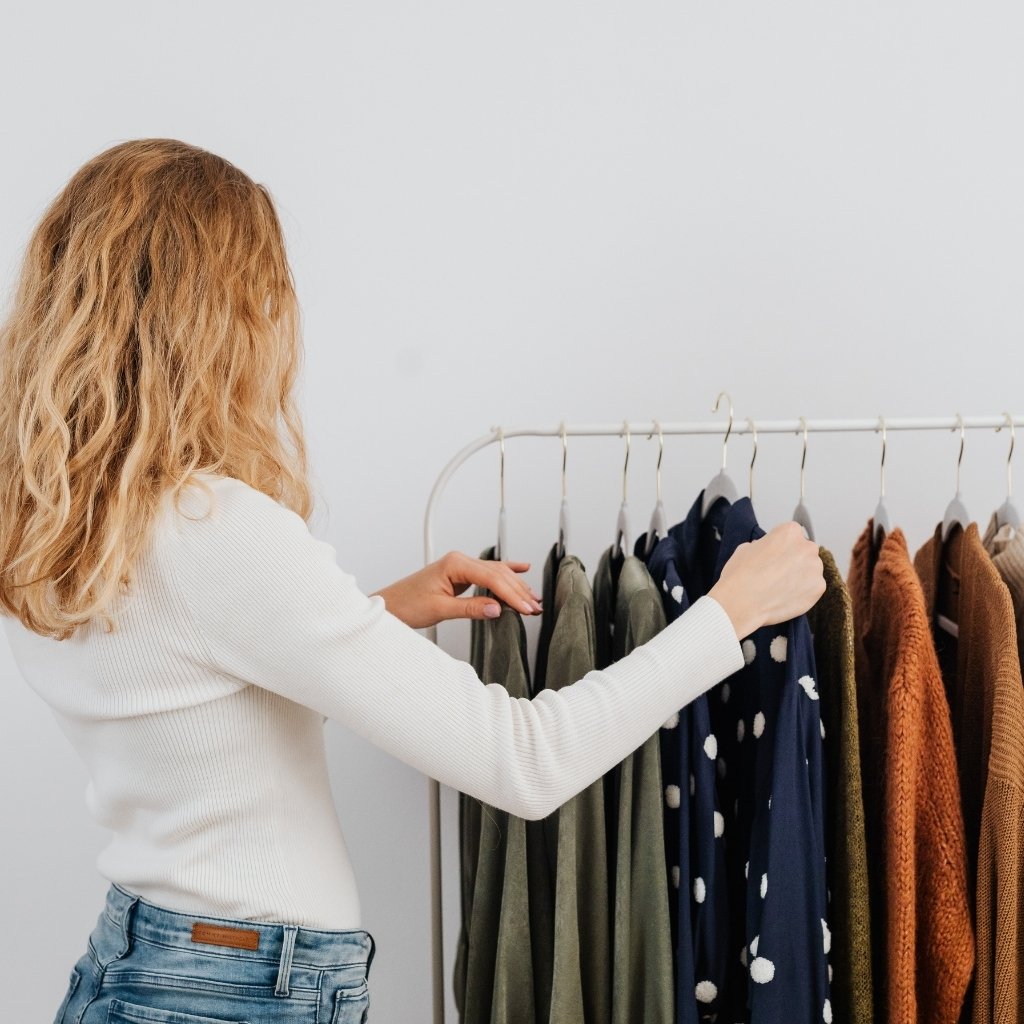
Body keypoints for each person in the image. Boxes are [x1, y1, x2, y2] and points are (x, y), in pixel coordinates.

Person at [0, 139, 825, 1024]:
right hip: (234, 995)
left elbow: (189, 699)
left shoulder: (58, 522)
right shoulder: (214, 530)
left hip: (140, 970)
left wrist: (375, 615)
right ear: (214, 319)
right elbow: (524, 761)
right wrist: (727, 615)